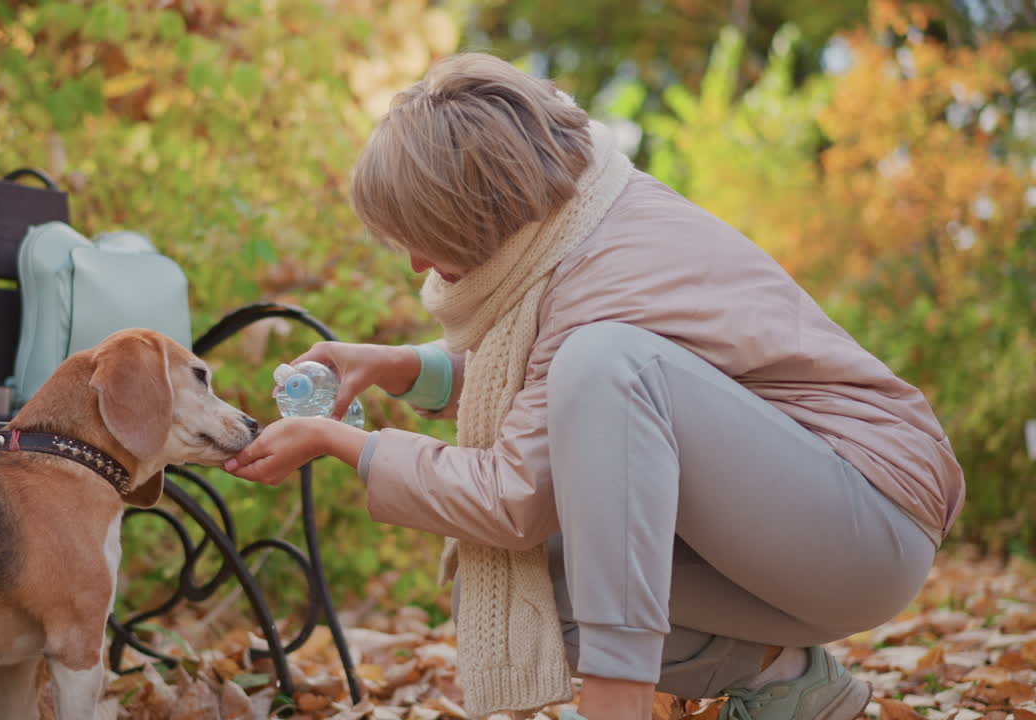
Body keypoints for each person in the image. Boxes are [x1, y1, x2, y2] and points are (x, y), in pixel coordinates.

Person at [222, 52, 963, 720]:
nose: (415, 260)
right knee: (534, 590)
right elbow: (548, 395)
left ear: (468, 209)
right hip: (807, 528)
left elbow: (515, 492)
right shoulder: (576, 231)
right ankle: (787, 682)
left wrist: (339, 440)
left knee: (604, 363)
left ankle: (618, 706)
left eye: (419, 232)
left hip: (865, 519)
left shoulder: (601, 273)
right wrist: (398, 366)